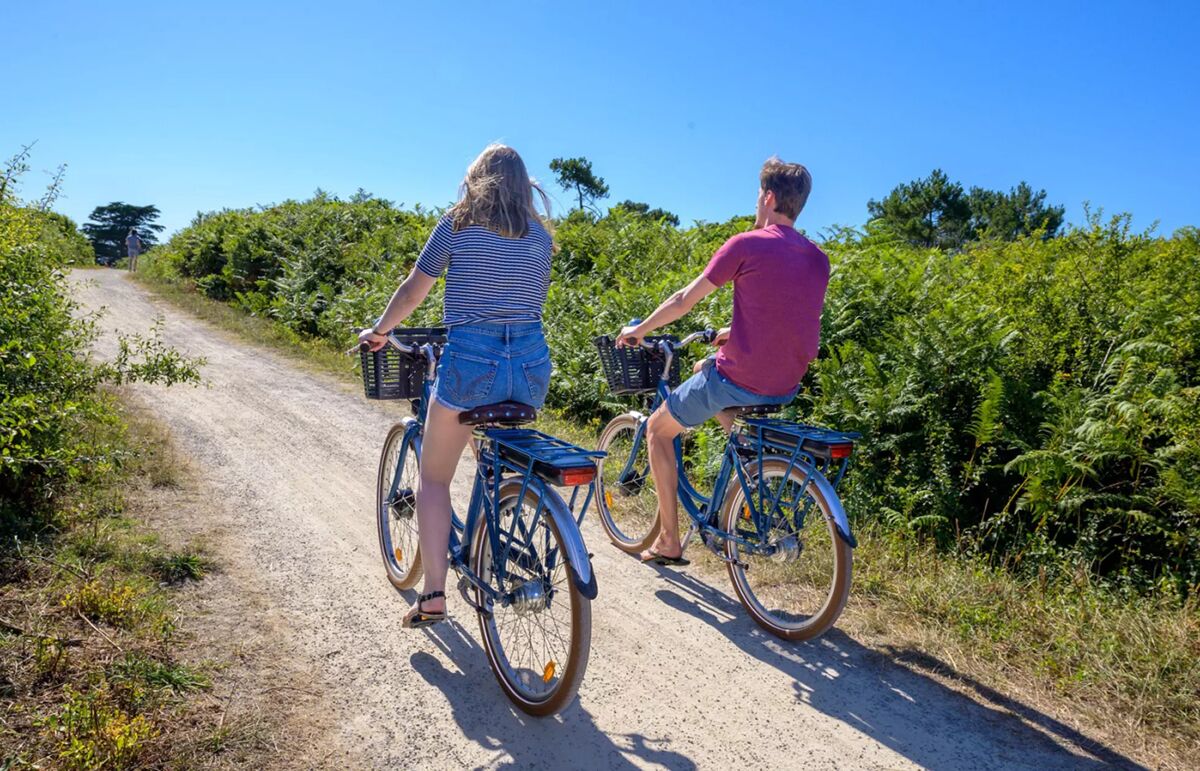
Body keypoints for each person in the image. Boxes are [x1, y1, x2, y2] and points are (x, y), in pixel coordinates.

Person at [358, 144, 554, 628]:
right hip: (530, 365)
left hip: (472, 359)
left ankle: (434, 595)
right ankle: (492, 525)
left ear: (477, 179)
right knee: (491, 450)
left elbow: (414, 288)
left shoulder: (458, 223)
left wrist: (381, 331)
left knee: (433, 478)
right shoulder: (540, 237)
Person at [615, 157, 829, 565]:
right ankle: (744, 456)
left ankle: (669, 542)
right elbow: (788, 317)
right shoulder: (818, 258)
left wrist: (640, 329)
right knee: (703, 368)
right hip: (786, 383)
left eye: (756, 195)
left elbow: (683, 300)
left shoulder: (746, 244)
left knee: (659, 432)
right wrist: (732, 334)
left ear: (767, 197)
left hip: (742, 377)